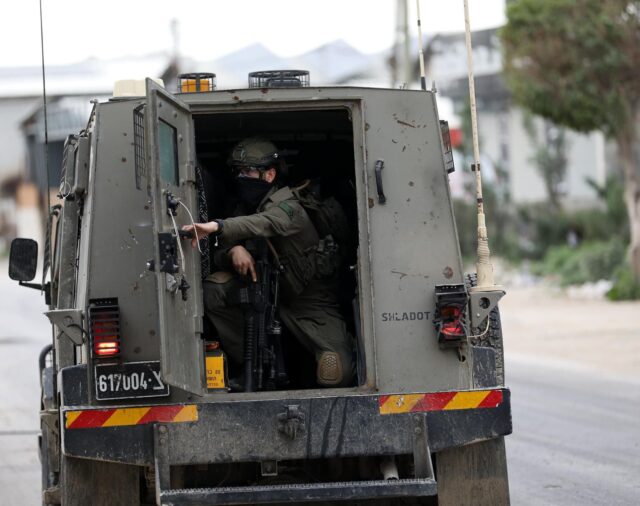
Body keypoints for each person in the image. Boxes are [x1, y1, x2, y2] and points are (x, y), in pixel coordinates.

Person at [183, 137, 354, 388]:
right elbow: (216, 254)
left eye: (248, 171)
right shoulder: (242, 207)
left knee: (337, 373)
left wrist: (218, 226)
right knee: (214, 290)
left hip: (308, 302)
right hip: (259, 292)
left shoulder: (290, 207)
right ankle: (245, 365)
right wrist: (234, 250)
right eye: (237, 171)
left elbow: (265, 223)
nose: (241, 178)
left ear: (270, 174)